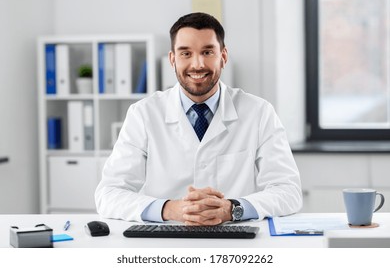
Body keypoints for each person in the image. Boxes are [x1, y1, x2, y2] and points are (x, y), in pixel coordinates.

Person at [95, 12, 302, 225]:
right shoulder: (143, 114)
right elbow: (109, 194)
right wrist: (171, 209)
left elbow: (289, 191)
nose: (197, 64)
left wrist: (232, 209)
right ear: (172, 59)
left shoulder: (259, 112)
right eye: (186, 53)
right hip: (165, 242)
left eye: (207, 52)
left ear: (223, 56)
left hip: (235, 241)